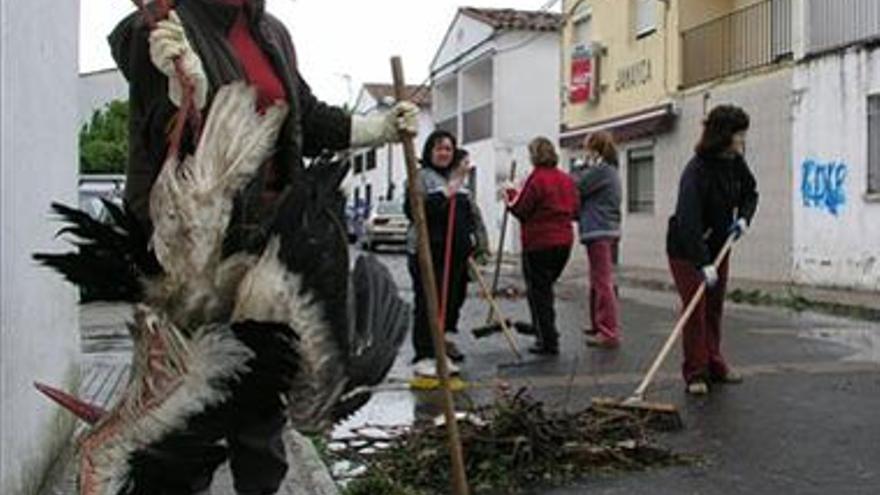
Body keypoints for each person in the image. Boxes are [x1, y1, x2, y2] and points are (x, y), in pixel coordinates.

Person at [109, 1, 417, 493]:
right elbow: (139, 63)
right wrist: (180, 88)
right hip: (190, 253)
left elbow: (306, 118)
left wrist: (376, 129)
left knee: (262, 415)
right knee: (180, 421)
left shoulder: (270, 33)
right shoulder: (165, 24)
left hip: (271, 252)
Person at [666, 104, 758, 395]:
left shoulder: (734, 163)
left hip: (720, 244)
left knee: (714, 307)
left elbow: (750, 192)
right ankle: (695, 372)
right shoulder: (697, 171)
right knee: (696, 309)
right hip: (687, 249)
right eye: (739, 135)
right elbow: (687, 220)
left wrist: (743, 218)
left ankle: (714, 363)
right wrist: (702, 262)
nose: (743, 140)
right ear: (724, 135)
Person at [405, 131, 484, 376]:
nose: (444, 153)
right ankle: (424, 355)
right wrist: (448, 190)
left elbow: (467, 214)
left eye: (448, 149)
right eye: (439, 149)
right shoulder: (421, 178)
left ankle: (440, 352)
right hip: (428, 251)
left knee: (447, 306)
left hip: (456, 254)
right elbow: (416, 211)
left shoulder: (457, 178)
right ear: (430, 151)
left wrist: (473, 242)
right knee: (429, 302)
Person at [505, 137, 578, 355]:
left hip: (539, 242)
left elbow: (521, 209)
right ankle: (543, 329)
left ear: (534, 155)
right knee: (545, 289)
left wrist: (509, 194)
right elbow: (575, 208)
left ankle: (547, 338)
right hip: (564, 242)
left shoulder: (536, 179)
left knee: (539, 293)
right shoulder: (566, 179)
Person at [571, 131, 622, 349]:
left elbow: (576, 185)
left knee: (602, 282)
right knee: (598, 281)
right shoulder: (608, 170)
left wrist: (579, 167)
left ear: (594, 149)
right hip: (606, 230)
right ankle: (598, 324)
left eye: (587, 149)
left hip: (599, 230)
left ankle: (608, 332)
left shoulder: (601, 171)